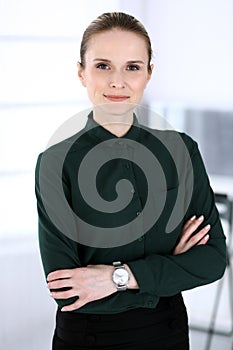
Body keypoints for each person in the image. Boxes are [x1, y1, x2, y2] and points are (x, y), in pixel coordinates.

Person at [35, 12, 227, 350]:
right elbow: (67, 290)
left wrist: (114, 278)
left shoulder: (181, 150)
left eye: (133, 67)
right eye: (103, 66)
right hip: (90, 337)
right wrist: (169, 265)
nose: (117, 82)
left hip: (167, 332)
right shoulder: (55, 164)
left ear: (149, 73)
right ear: (81, 72)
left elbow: (212, 260)